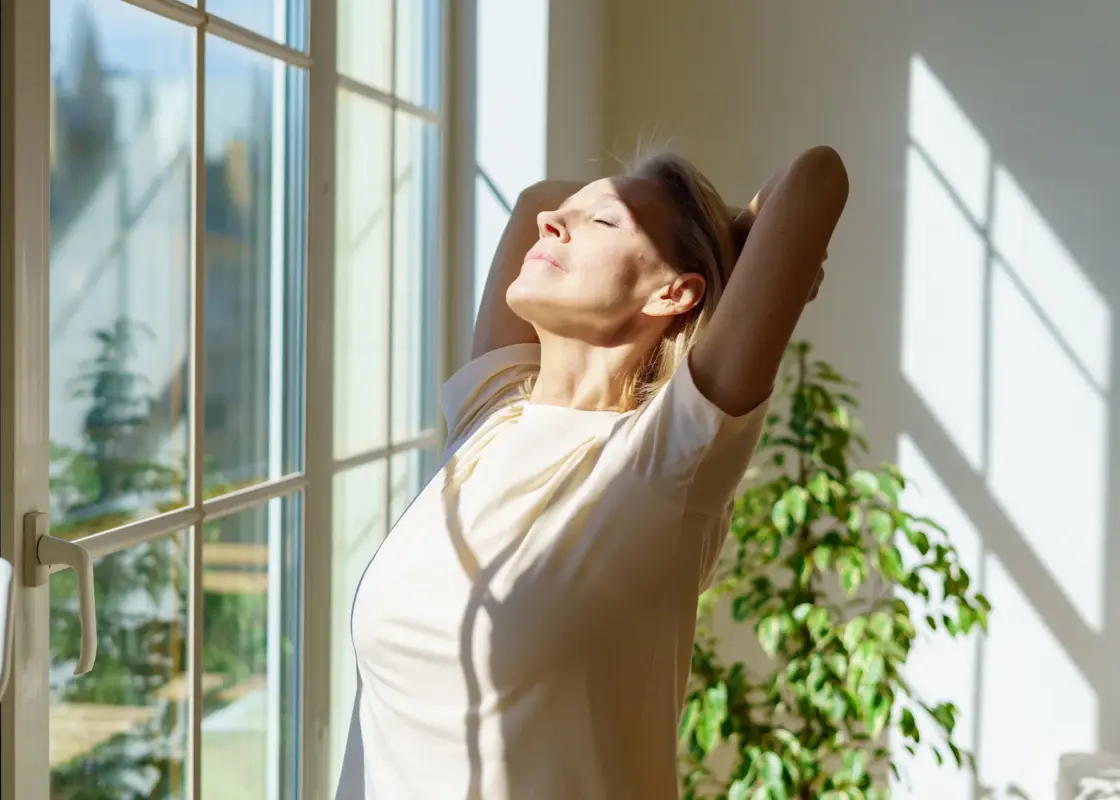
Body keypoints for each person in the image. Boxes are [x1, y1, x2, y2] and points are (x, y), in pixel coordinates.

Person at [336, 145, 849, 799]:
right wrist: (695, 232)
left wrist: (729, 242)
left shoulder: (667, 459)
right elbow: (531, 201)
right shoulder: (490, 414)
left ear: (673, 292)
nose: (553, 221)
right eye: (567, 216)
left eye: (602, 223)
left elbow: (814, 180)